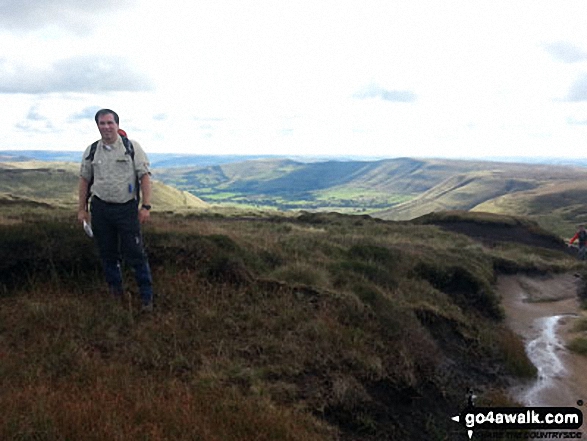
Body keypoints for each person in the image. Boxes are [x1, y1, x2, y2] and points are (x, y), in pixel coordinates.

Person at [77, 109, 154, 311]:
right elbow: (85, 180)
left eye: (110, 123)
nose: (106, 127)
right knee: (108, 254)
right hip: (101, 209)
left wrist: (146, 206)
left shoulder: (131, 147)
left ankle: (146, 297)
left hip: (126, 209)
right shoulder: (92, 150)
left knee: (136, 253)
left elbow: (144, 176)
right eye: (102, 123)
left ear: (117, 124)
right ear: (97, 126)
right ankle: (116, 294)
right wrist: (82, 209)